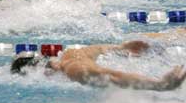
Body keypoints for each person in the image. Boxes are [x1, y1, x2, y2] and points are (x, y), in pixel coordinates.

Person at [11, 29, 186, 91]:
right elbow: (101, 48)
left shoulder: (74, 70)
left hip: (155, 71)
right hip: (148, 56)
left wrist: (160, 85)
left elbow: (113, 76)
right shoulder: (71, 53)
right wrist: (123, 48)